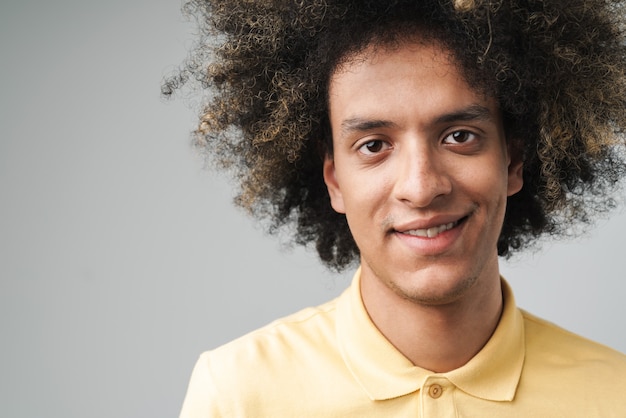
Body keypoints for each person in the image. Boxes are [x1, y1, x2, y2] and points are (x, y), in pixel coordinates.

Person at [163, 0, 626, 416]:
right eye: (374, 145)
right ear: (334, 182)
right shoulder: (239, 394)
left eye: (459, 136)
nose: (421, 187)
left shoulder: (614, 395)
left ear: (513, 162)